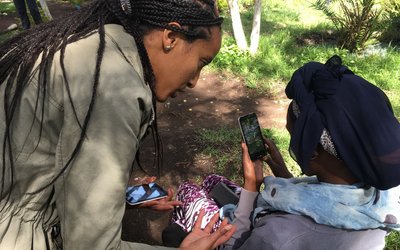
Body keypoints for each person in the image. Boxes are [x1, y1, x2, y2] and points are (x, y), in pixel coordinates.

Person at [0, 0, 236, 249]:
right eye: (201, 62)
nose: (194, 82)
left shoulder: (93, 43)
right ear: (171, 37)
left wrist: (119, 197)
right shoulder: (115, 88)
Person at [223, 55, 400, 249]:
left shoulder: (277, 236)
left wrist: (251, 188)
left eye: (293, 136)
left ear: (313, 150)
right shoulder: (381, 205)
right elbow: (319, 201)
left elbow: (235, 246)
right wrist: (282, 171)